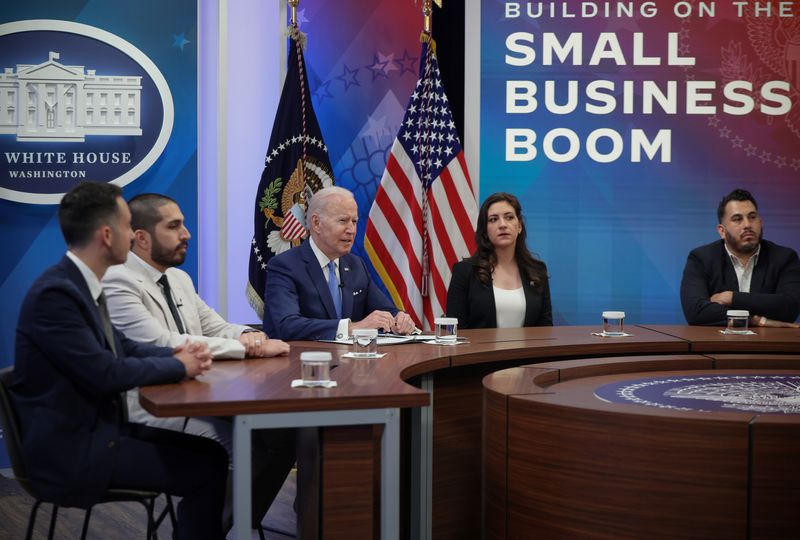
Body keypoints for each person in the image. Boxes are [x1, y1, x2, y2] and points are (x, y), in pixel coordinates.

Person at [11, 182, 228, 540]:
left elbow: (124, 347)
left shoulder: (79, 284)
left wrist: (177, 355)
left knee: (213, 454)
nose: (133, 235)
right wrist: (179, 366)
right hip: (72, 451)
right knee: (206, 467)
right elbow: (104, 373)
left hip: (98, 432)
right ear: (107, 235)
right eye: (128, 226)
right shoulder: (57, 293)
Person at [102, 193, 295, 531]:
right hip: (151, 406)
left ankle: (231, 527)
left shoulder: (179, 279)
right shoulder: (117, 281)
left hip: (199, 395)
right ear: (142, 238)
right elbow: (163, 343)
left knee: (282, 436)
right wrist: (246, 349)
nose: (187, 233)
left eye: (185, 224)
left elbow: (218, 327)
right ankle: (208, 530)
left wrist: (252, 337)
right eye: (174, 226)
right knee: (241, 444)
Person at [263, 186, 416, 340]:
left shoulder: (356, 265)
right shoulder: (285, 266)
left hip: (351, 360)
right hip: (302, 360)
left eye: (354, 221)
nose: (352, 230)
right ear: (316, 223)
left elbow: (386, 310)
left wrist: (400, 319)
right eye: (343, 221)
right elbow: (288, 326)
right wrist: (352, 328)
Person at [680, 188, 800, 327]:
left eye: (752, 217)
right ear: (722, 231)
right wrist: (756, 320)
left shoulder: (784, 257)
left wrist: (731, 298)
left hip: (767, 345)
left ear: (760, 222)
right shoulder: (701, 258)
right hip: (718, 345)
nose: (747, 225)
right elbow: (696, 311)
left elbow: (790, 306)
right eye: (737, 219)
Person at [446, 192, 552, 328]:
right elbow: (455, 331)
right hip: (479, 349)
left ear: (519, 226)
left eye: (509, 217)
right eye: (493, 219)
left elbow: (545, 330)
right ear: (485, 230)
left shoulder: (537, 272)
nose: (503, 225)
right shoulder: (465, 272)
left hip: (527, 350)